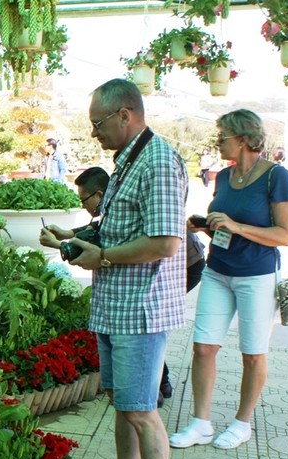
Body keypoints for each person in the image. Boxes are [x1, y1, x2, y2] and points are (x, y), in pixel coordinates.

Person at [40, 79, 186, 459]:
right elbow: (119, 226)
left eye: (98, 124)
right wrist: (79, 237)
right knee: (125, 404)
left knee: (142, 410)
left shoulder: (159, 161)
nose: (95, 134)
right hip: (118, 306)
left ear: (126, 114)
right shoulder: (129, 160)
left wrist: (101, 257)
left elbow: (165, 242)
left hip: (140, 310)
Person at [169, 110, 288, 451]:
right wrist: (207, 224)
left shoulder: (276, 176)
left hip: (257, 275)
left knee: (252, 353)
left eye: (222, 136)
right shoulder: (223, 177)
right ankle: (201, 422)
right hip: (217, 269)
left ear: (242, 139)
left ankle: (242, 424)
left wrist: (237, 227)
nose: (217, 141)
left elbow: (285, 235)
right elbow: (224, 221)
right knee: (203, 347)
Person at [42, 164, 204, 409]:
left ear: (99, 194)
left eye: (83, 199)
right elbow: (98, 226)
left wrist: (60, 245)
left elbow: (99, 238)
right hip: (177, 261)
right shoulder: (110, 202)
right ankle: (159, 384)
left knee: (149, 329)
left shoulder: (121, 198)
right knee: (146, 333)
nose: (83, 205)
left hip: (186, 265)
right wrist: (66, 234)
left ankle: (154, 387)